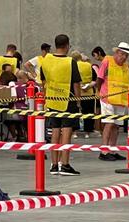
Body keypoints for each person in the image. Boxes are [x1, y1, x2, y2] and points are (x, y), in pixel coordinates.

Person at [40, 34, 82, 175]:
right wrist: (78, 101)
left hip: (52, 99)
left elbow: (43, 80)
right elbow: (76, 84)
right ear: (67, 46)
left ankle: (53, 165)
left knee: (55, 130)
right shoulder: (70, 62)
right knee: (67, 131)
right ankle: (65, 164)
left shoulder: (47, 60)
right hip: (67, 100)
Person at [96, 42, 129, 161]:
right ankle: (104, 150)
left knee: (117, 126)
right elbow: (100, 78)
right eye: (122, 54)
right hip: (107, 97)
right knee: (109, 123)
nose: (124, 57)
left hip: (120, 99)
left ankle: (113, 149)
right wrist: (97, 92)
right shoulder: (107, 61)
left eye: (126, 55)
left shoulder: (127, 66)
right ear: (117, 52)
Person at [71, 51, 98, 137]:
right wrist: (89, 86)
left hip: (76, 93)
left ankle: (74, 132)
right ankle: (88, 132)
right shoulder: (89, 65)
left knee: (75, 113)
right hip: (89, 93)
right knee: (89, 112)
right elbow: (95, 78)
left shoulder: (73, 66)